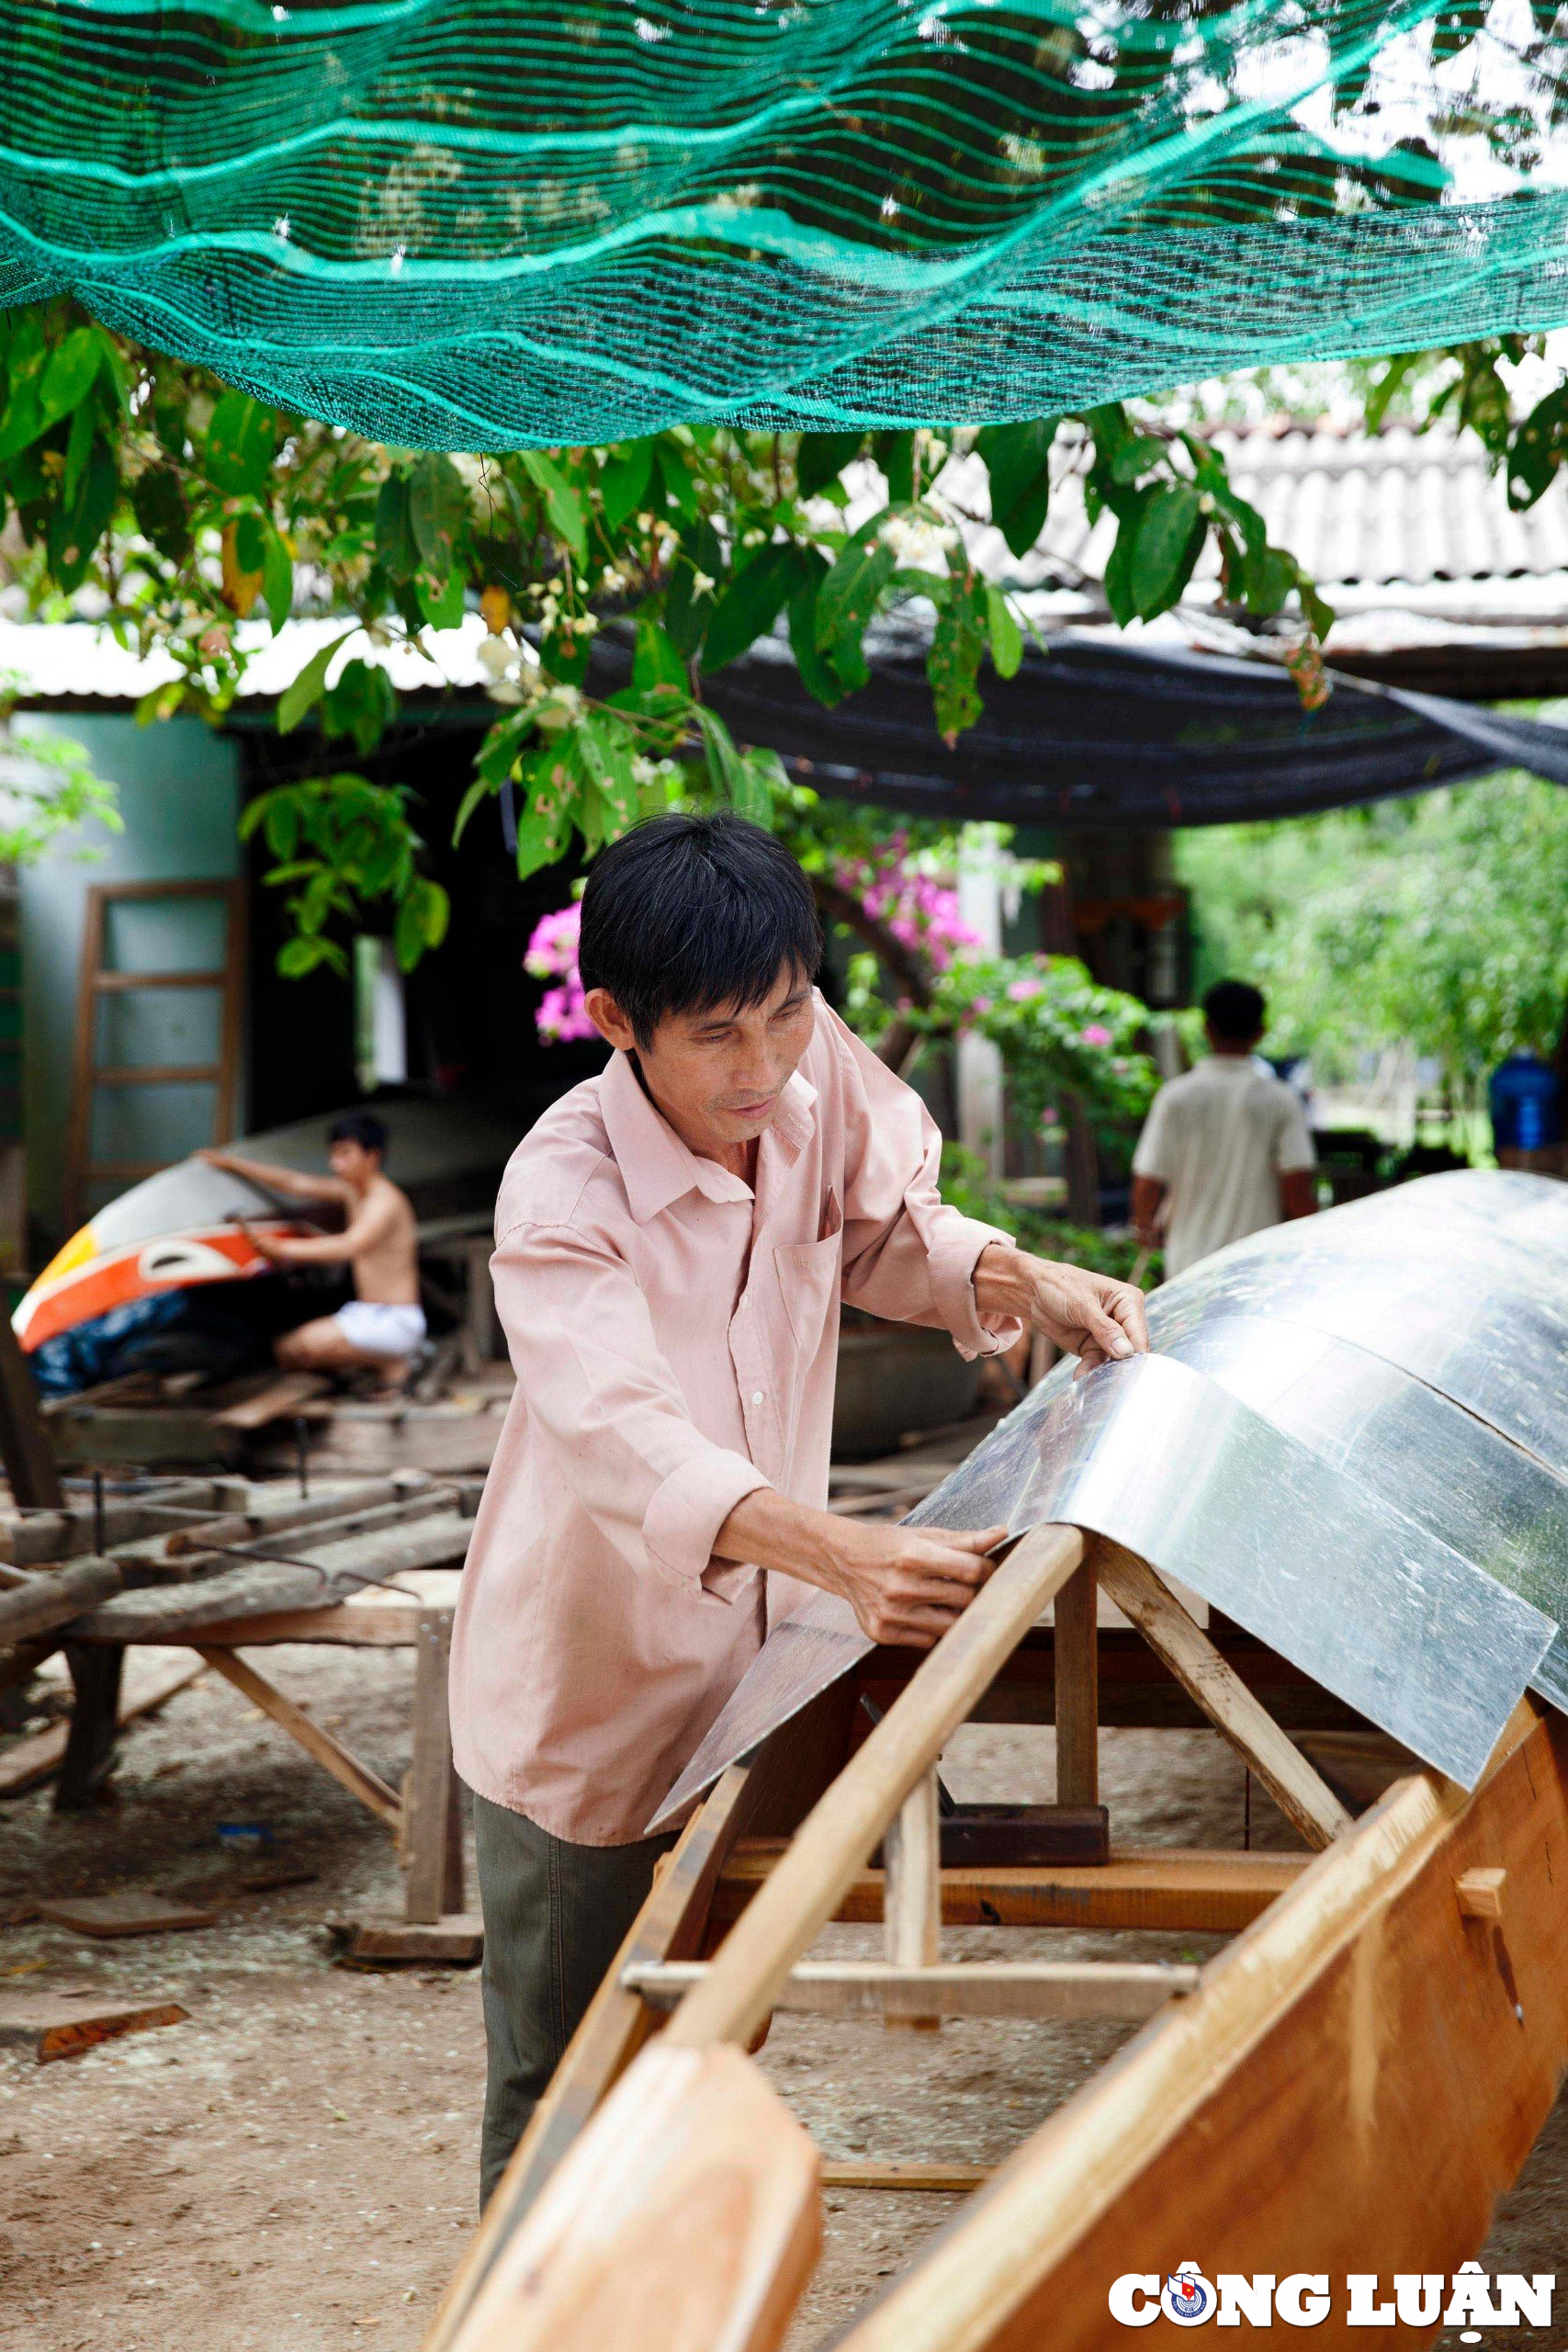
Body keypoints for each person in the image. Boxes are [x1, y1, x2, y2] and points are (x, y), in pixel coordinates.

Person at [451, 811, 1150, 2206]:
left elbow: (884, 1229)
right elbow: (624, 1443)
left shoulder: (801, 1070)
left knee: (704, 2038)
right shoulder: (559, 1191)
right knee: (563, 2083)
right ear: (616, 1022)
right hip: (585, 1691)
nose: (762, 1068)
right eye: (717, 1036)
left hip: (750, 1676)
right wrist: (837, 1552)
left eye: (784, 1016)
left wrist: (1025, 1277)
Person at [198, 1112, 425, 1383]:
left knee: (297, 1349)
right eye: (334, 1154)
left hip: (395, 1320)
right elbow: (295, 1183)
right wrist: (234, 1164)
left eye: (345, 1153)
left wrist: (282, 1248)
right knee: (287, 1351)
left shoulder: (385, 1201)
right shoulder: (352, 1191)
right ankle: (385, 1362)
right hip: (368, 1314)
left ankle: (395, 1358)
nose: (335, 1163)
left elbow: (348, 1246)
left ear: (372, 1157)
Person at [1131, 979, 1317, 1279]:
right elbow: (1297, 1187)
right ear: (1260, 1032)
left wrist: (1144, 1227)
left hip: (1186, 1269)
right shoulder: (1280, 1101)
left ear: (1206, 1028)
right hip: (1255, 1268)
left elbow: (1147, 1181)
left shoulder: (1176, 1096)